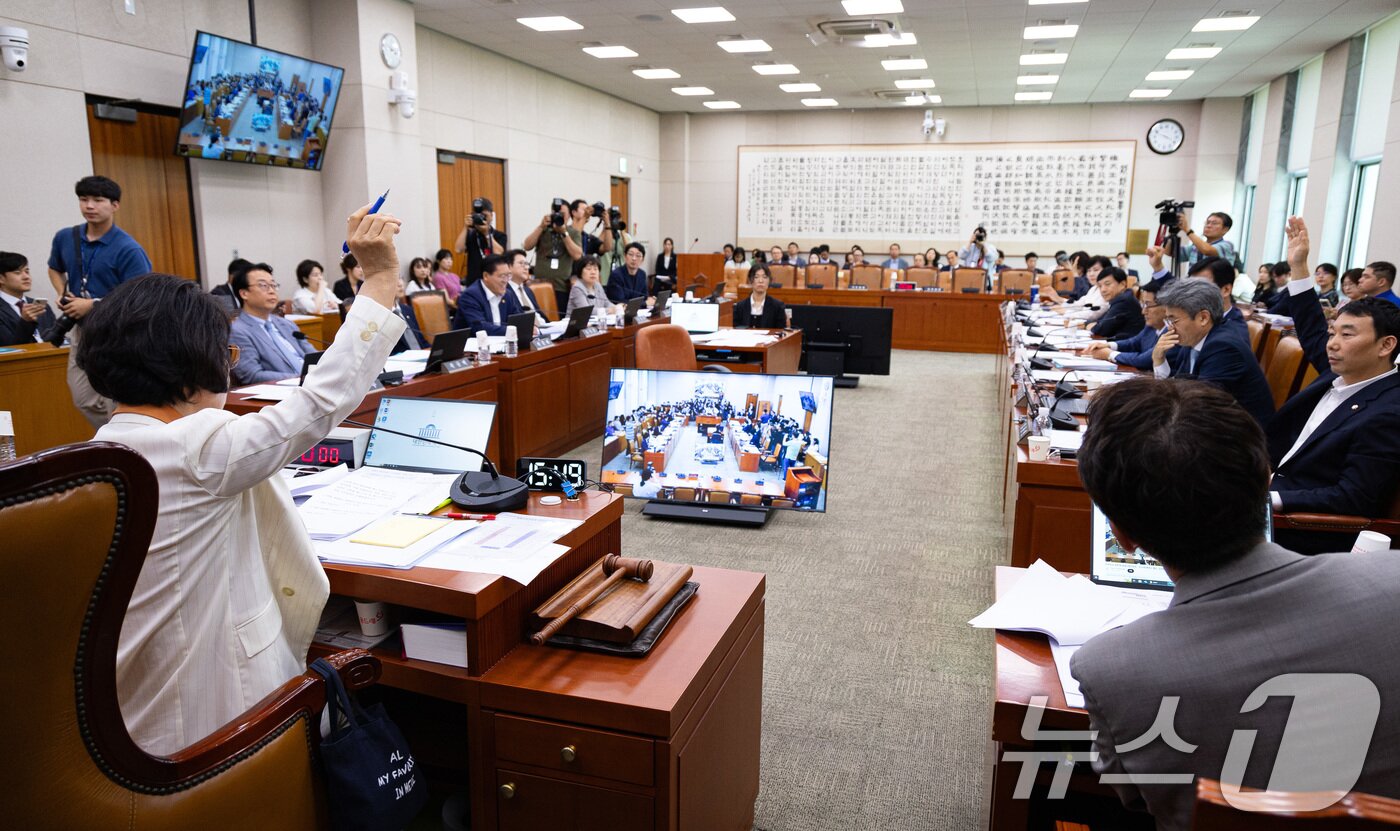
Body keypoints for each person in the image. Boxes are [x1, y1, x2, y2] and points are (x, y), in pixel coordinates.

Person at [79, 203, 408, 756]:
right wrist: (378, 279)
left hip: (132, 710)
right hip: (221, 715)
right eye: (225, 355)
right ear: (196, 365)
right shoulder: (198, 445)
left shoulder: (98, 451)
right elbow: (324, 397)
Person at [1069, 376, 1400, 831]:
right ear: (1266, 480)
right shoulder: (1392, 576)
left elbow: (1132, 798)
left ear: (1121, 536)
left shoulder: (1112, 668)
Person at [1267, 217, 1400, 548]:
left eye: (1348, 335)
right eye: (1333, 333)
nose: (1333, 344)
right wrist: (1299, 267)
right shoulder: (1340, 372)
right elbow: (1311, 326)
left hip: (1297, 529)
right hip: (1263, 481)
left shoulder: (1388, 412)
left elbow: (1352, 497)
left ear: (1386, 346)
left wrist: (1269, 501)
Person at [46, 175, 153, 427]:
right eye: (84, 200)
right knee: (82, 397)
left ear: (115, 205)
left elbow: (141, 297)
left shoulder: (128, 249)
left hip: (116, 332)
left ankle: (117, 446)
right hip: (81, 329)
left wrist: (93, 304)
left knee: (112, 398)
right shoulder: (66, 237)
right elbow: (54, 268)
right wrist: (62, 292)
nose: (89, 206)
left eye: (98, 200)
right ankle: (110, 438)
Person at [1152, 277, 1275, 426]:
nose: (1170, 328)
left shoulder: (1224, 348)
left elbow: (1198, 406)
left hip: (1241, 440)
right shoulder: (1193, 339)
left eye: (1173, 320)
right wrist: (1159, 359)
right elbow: (1179, 386)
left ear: (1203, 318)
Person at [228, 263, 315, 384]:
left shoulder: (287, 325)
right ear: (244, 293)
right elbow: (252, 375)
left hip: (313, 384)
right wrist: (299, 378)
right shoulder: (238, 331)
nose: (272, 291)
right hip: (285, 392)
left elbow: (314, 357)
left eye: (273, 285)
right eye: (263, 285)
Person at [1087, 278, 1166, 369]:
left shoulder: (1171, 332)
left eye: (1148, 305)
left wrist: (1110, 354)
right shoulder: (1151, 327)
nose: (1143, 311)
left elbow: (1144, 360)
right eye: (1143, 304)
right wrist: (1108, 345)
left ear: (1165, 307)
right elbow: (1134, 343)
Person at [522, 202, 584, 316]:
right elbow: (527, 246)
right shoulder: (544, 230)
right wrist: (541, 227)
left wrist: (564, 233)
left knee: (559, 319)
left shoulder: (573, 233)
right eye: (556, 213)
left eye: (563, 214)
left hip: (561, 287)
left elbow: (577, 255)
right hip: (539, 286)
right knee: (542, 319)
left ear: (569, 216)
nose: (559, 216)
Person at [454, 252, 522, 336]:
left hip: (503, 344)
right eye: (502, 276)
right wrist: (513, 330)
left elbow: (518, 319)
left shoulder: (508, 294)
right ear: (486, 276)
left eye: (509, 275)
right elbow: (480, 328)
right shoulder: (470, 296)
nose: (506, 281)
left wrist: (527, 327)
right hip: (473, 346)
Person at [0, 251, 56, 346]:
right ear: (1, 279)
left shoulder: (42, 306)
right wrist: (25, 322)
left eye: (27, 271)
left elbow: (57, 340)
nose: (26, 277)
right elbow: (9, 349)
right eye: (17, 272)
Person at [452, 197, 506, 286]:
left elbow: (498, 252)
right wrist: (465, 227)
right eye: (477, 215)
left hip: (494, 282)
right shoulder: (470, 235)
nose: (480, 218)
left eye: (484, 215)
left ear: (491, 216)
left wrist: (487, 234)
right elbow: (458, 249)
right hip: (474, 282)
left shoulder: (499, 235)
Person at [1088, 267, 1144, 340]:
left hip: (1127, 347)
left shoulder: (1123, 301)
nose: (1103, 290)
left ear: (1122, 284)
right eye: (1100, 286)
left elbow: (1101, 330)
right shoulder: (1122, 298)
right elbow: (1101, 321)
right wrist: (1089, 324)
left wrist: (1092, 326)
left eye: (1107, 284)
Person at [504, 248, 547, 325]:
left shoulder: (528, 291)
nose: (526, 267)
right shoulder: (504, 291)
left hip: (544, 329)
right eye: (521, 263)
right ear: (509, 267)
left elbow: (540, 315)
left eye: (527, 264)